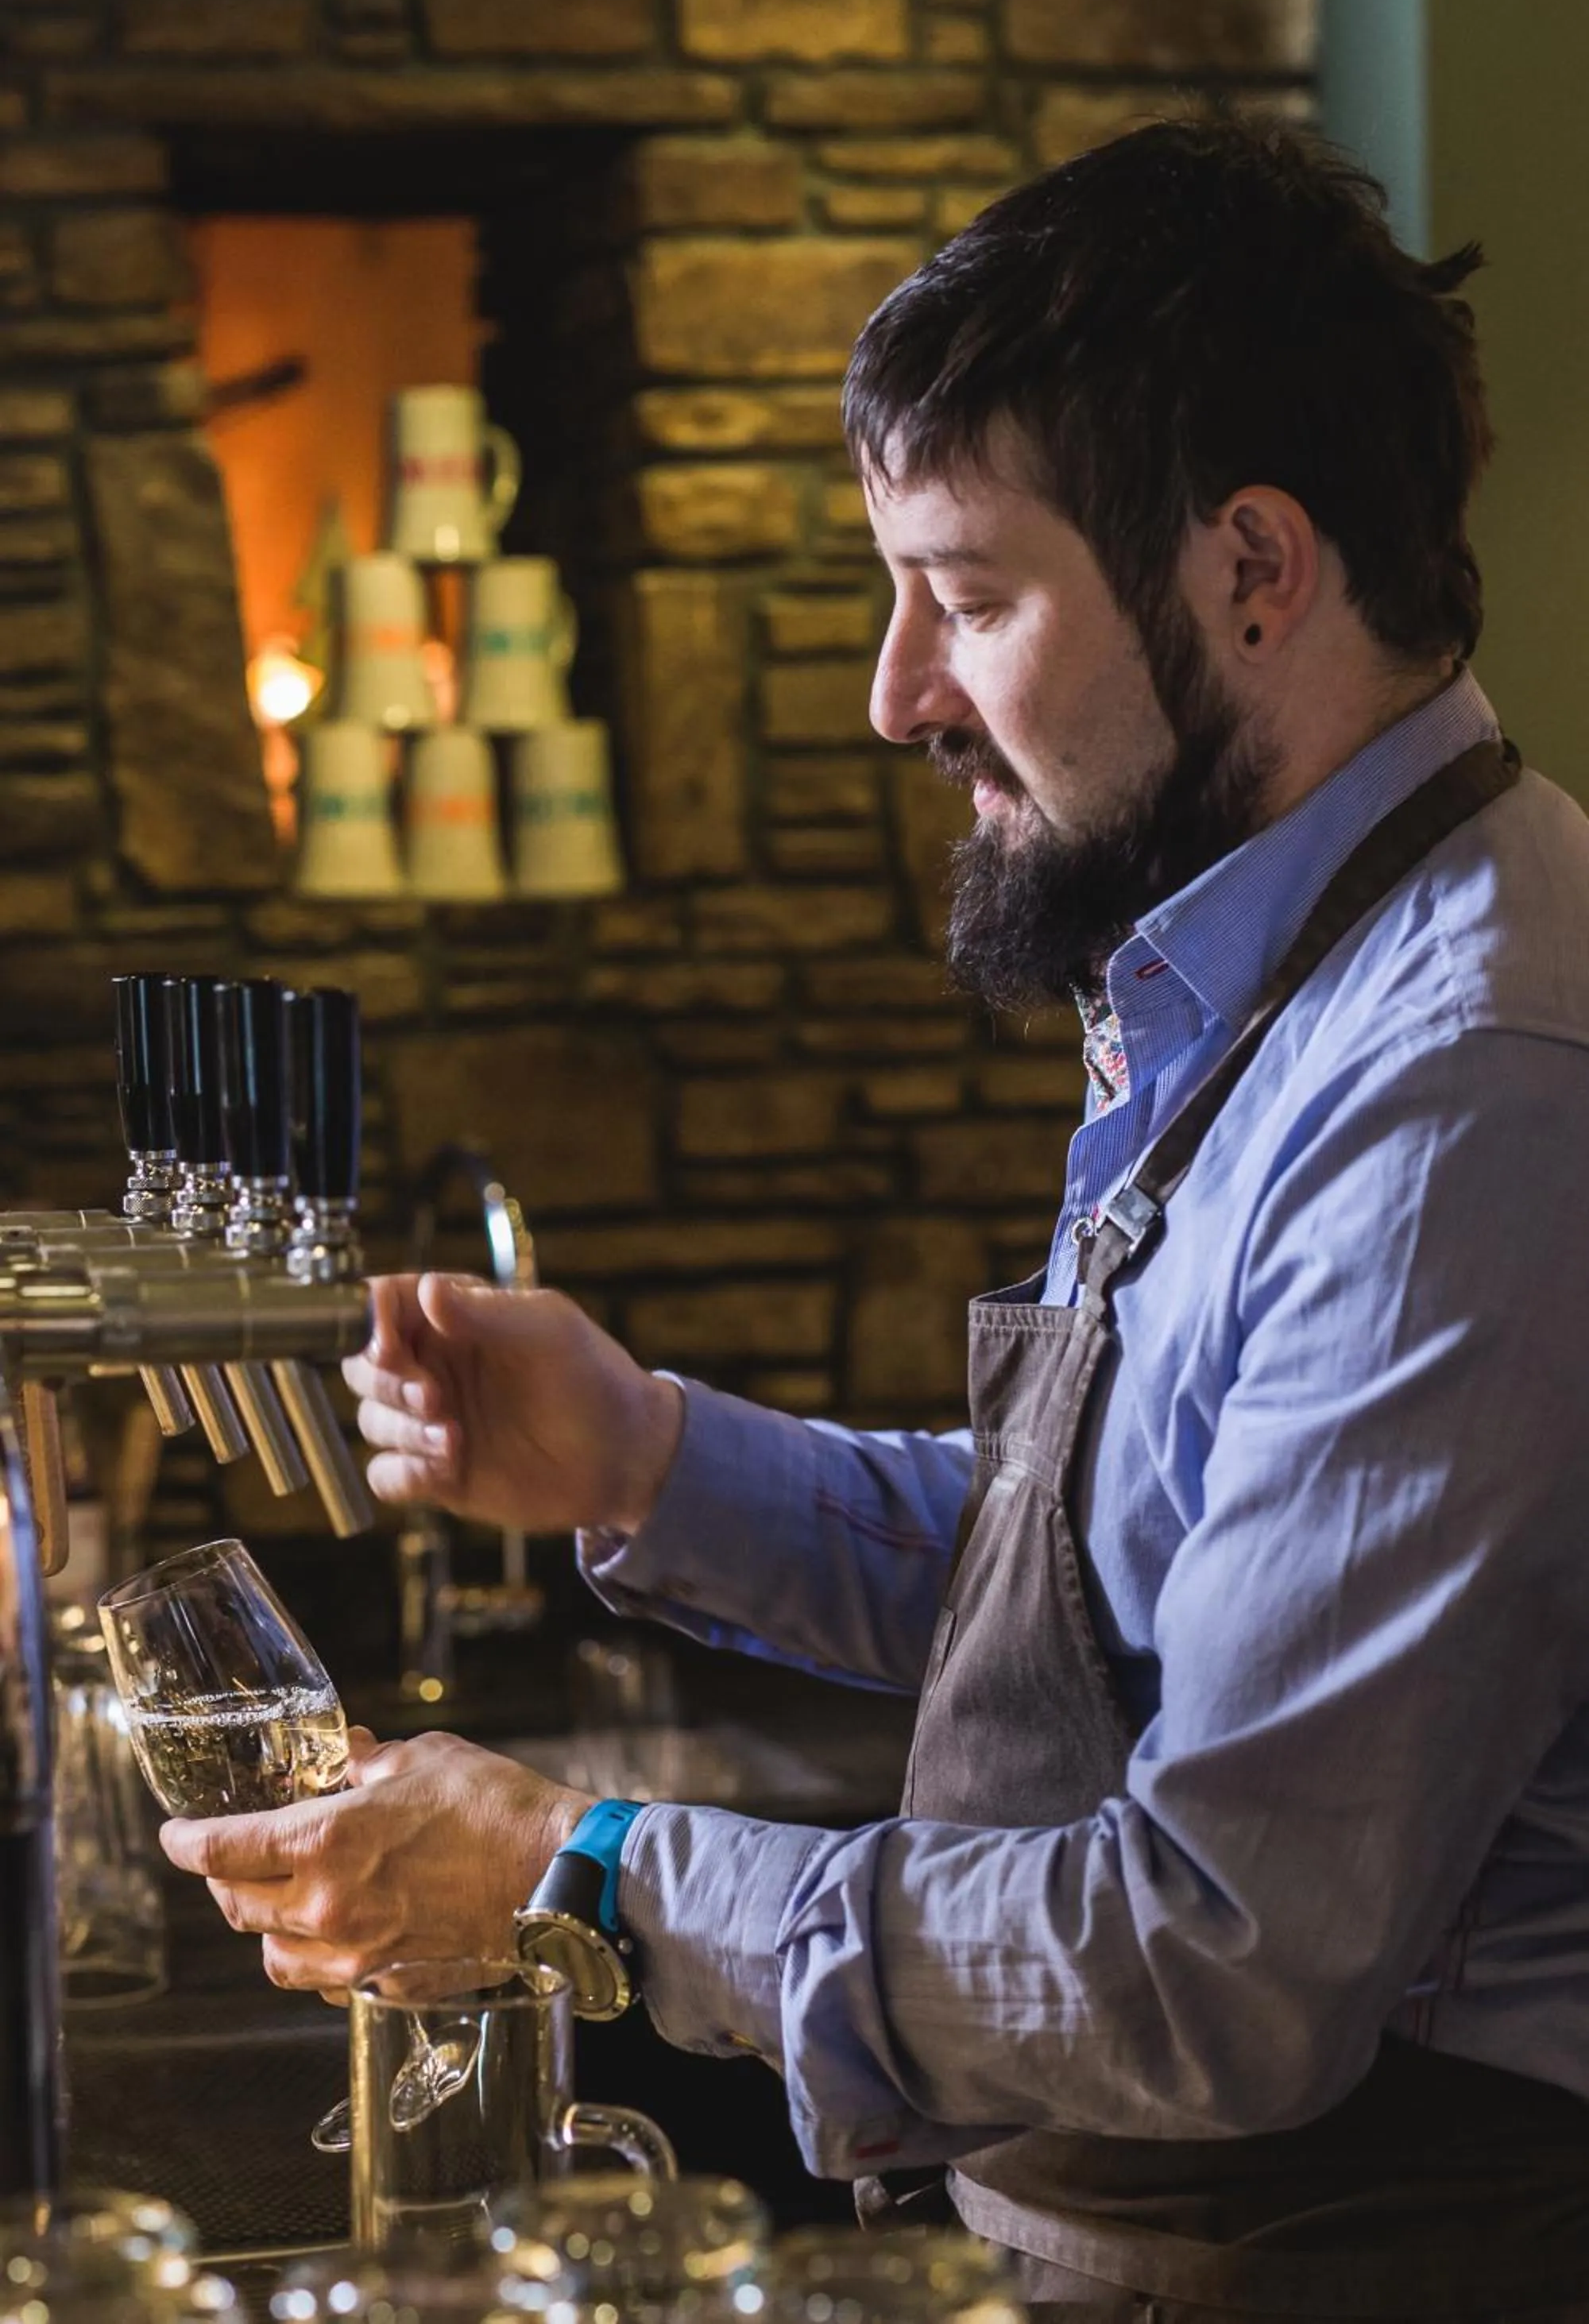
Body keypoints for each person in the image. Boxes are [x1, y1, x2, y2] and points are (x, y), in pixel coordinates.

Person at [161, 114, 1589, 2321]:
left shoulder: (1459, 1096)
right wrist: (646, 1459)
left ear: (1254, 574)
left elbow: (1226, 1958)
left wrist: (585, 1874)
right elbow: (1139, 1593)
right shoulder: (1254, 975)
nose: (894, 693)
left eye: (974, 595)